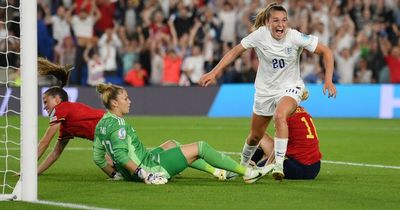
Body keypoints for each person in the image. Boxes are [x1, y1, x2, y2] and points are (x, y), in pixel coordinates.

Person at [199, 3, 336, 180]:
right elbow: (235, 52)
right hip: (265, 91)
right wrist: (213, 72)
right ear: (268, 23)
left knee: (280, 115)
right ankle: (241, 166)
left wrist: (328, 80)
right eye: (276, 21)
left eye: (284, 20)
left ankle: (278, 164)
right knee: (255, 136)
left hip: (290, 87)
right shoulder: (259, 35)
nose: (281, 25)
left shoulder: (294, 37)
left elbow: (326, 51)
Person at [93, 83, 273, 184]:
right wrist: (144, 174)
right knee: (201, 146)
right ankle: (246, 173)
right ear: (114, 104)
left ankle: (217, 171)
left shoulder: (102, 123)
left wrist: (117, 174)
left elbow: (98, 158)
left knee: (172, 143)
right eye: (125, 98)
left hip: (139, 164)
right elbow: (122, 156)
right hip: (149, 167)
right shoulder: (119, 125)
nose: (129, 101)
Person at [36, 58, 106, 175]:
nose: (44, 107)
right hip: (108, 129)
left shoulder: (60, 108)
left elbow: (45, 141)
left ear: (57, 100)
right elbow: (56, 152)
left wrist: (28, 168)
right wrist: (35, 172)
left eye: (46, 102)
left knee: (110, 161)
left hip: (109, 127)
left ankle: (138, 174)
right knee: (110, 162)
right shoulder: (65, 126)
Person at [250, 106, 322, 180]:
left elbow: (278, 146)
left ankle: (249, 164)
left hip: (296, 168)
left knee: (259, 135)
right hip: (315, 168)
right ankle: (253, 163)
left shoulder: (281, 115)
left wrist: (265, 166)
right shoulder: (303, 110)